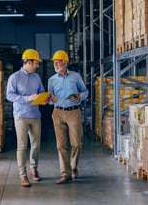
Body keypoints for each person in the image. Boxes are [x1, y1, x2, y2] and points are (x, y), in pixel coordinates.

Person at [6, 49, 46, 187]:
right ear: (28, 62)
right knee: (22, 146)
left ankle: (33, 169)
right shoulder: (14, 77)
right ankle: (23, 175)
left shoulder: (36, 77)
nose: (37, 66)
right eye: (36, 63)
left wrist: (43, 98)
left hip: (35, 115)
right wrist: (26, 98)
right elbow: (9, 95)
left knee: (36, 145)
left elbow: (41, 91)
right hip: (21, 116)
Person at [47, 50, 88, 184]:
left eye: (58, 61)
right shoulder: (51, 80)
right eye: (54, 62)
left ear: (65, 62)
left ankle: (73, 166)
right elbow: (50, 98)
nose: (56, 64)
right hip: (57, 113)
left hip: (73, 112)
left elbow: (85, 91)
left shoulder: (75, 77)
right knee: (61, 145)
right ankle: (66, 173)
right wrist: (50, 99)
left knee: (76, 143)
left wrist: (79, 97)